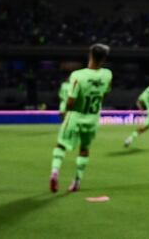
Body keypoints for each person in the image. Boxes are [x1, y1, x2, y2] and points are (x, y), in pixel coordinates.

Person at [49, 43, 113, 193]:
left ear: (90, 55)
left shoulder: (78, 75)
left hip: (76, 116)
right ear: (104, 58)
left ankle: (55, 172)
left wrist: (66, 111)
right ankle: (77, 181)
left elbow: (71, 101)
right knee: (84, 149)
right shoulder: (107, 74)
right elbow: (105, 93)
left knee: (61, 145)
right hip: (92, 119)